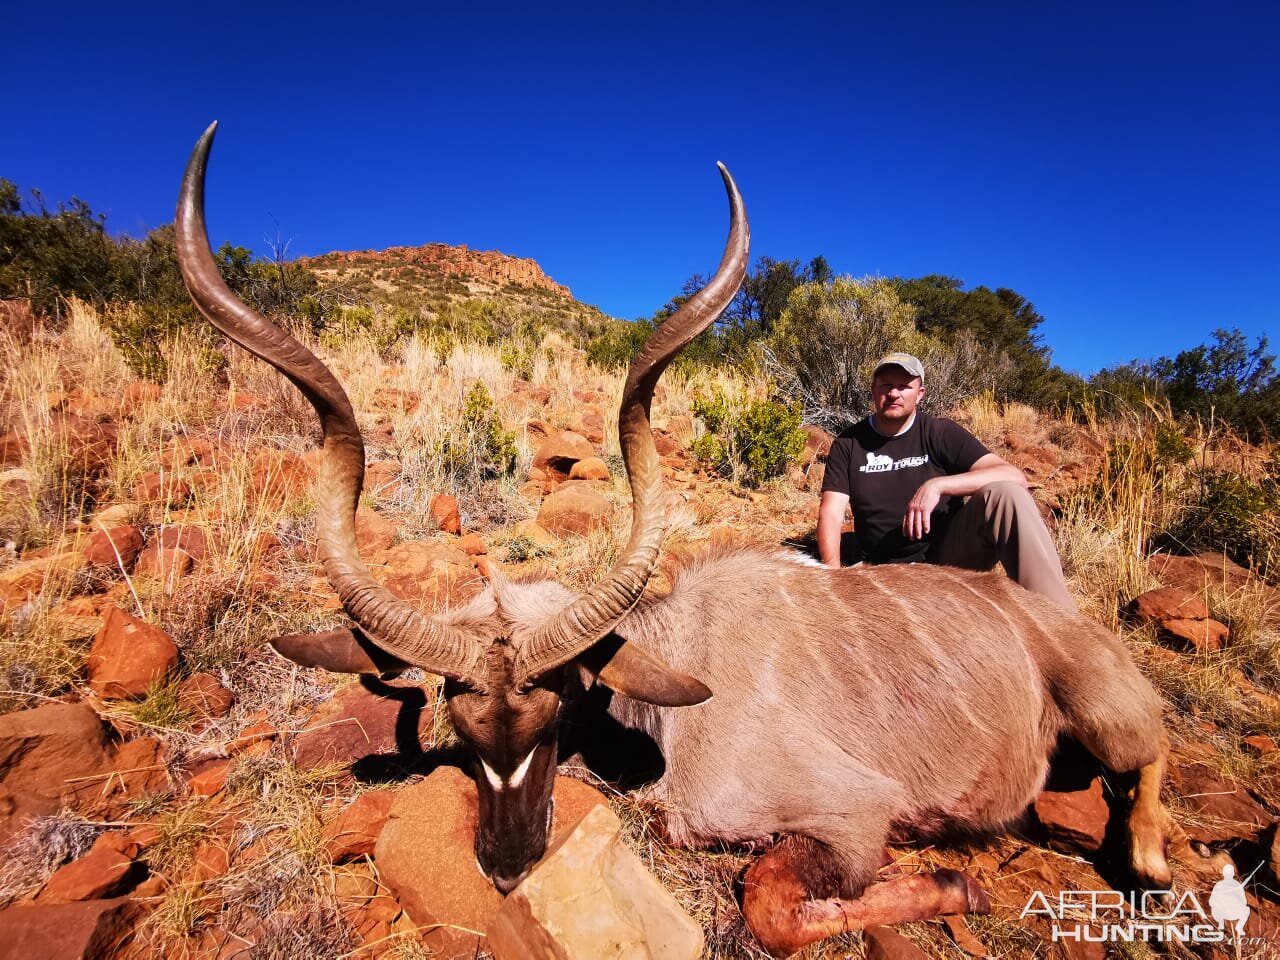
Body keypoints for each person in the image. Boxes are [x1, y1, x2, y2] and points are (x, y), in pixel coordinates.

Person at [817, 352, 1078, 611]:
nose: (895, 393)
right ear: (874, 390)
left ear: (920, 393)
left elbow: (1013, 476)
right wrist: (833, 578)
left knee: (1006, 496)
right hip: (882, 571)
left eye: (904, 386)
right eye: (886, 385)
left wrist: (938, 485)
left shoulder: (940, 432)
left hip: (947, 563)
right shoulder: (848, 444)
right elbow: (832, 511)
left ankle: (1059, 622)